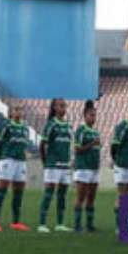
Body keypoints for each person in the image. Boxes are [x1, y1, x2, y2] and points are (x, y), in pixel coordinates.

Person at [0, 105, 30, 232]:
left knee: (18, 192)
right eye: (16, 110)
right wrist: (2, 157)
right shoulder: (6, 125)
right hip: (8, 160)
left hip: (21, 161)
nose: (19, 112)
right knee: (2, 190)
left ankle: (16, 222)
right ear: (11, 113)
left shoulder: (25, 127)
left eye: (21, 110)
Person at [37, 98, 74, 232]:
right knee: (49, 193)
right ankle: (42, 224)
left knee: (62, 194)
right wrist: (45, 162)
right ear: (54, 108)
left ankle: (60, 224)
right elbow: (42, 145)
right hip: (53, 164)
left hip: (65, 165)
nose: (63, 108)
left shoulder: (68, 125)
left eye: (65, 106)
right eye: (61, 106)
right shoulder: (51, 124)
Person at [72, 100, 102, 232]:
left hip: (94, 169)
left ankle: (90, 224)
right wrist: (92, 144)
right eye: (91, 115)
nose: (93, 118)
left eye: (95, 115)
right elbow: (77, 149)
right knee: (80, 197)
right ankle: (77, 225)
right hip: (83, 168)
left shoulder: (96, 132)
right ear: (85, 116)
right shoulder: (81, 130)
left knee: (91, 197)